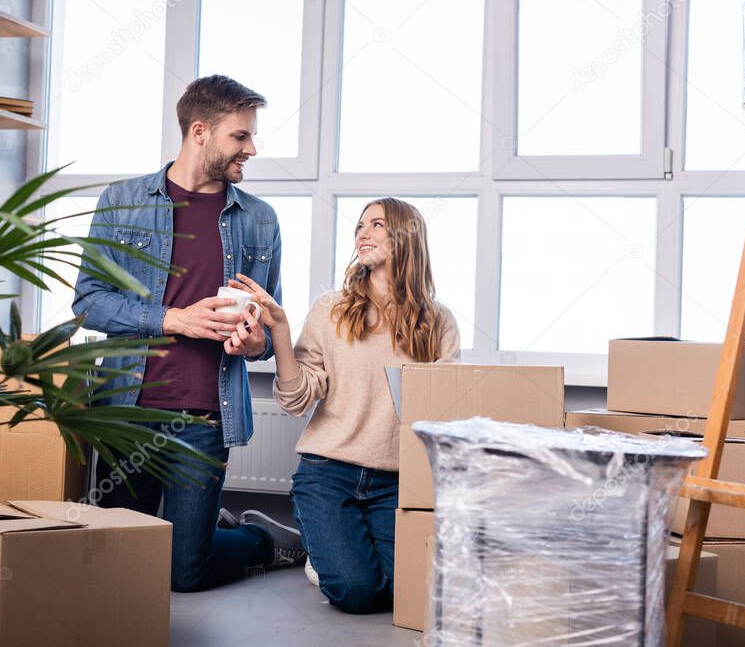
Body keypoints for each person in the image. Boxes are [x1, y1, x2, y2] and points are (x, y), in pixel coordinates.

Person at [72, 75, 305, 592]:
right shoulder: (123, 200)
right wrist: (172, 318)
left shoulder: (259, 220)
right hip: (127, 412)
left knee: (184, 574)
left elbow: (266, 330)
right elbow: (88, 302)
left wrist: (254, 344)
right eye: (240, 136)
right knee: (121, 562)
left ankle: (262, 539)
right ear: (200, 131)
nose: (251, 148)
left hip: (204, 417)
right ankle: (203, 533)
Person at [229, 198, 460, 613]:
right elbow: (297, 399)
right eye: (359, 226)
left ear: (407, 236)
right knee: (356, 593)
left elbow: (445, 413)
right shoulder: (332, 309)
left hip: (397, 481)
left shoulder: (438, 322)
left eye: (377, 224)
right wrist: (279, 330)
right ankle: (318, 552)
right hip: (328, 473)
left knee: (404, 592)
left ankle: (326, 548)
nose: (362, 234)